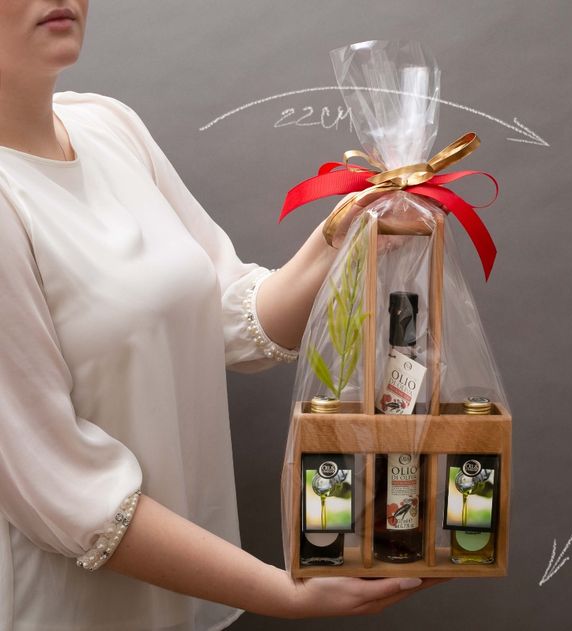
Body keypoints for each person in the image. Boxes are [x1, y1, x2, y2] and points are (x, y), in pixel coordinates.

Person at [0, 2, 440, 629]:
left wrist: (346, 234)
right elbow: (62, 489)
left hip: (184, 599)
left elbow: (232, 322)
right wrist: (284, 593)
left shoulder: (107, 125)